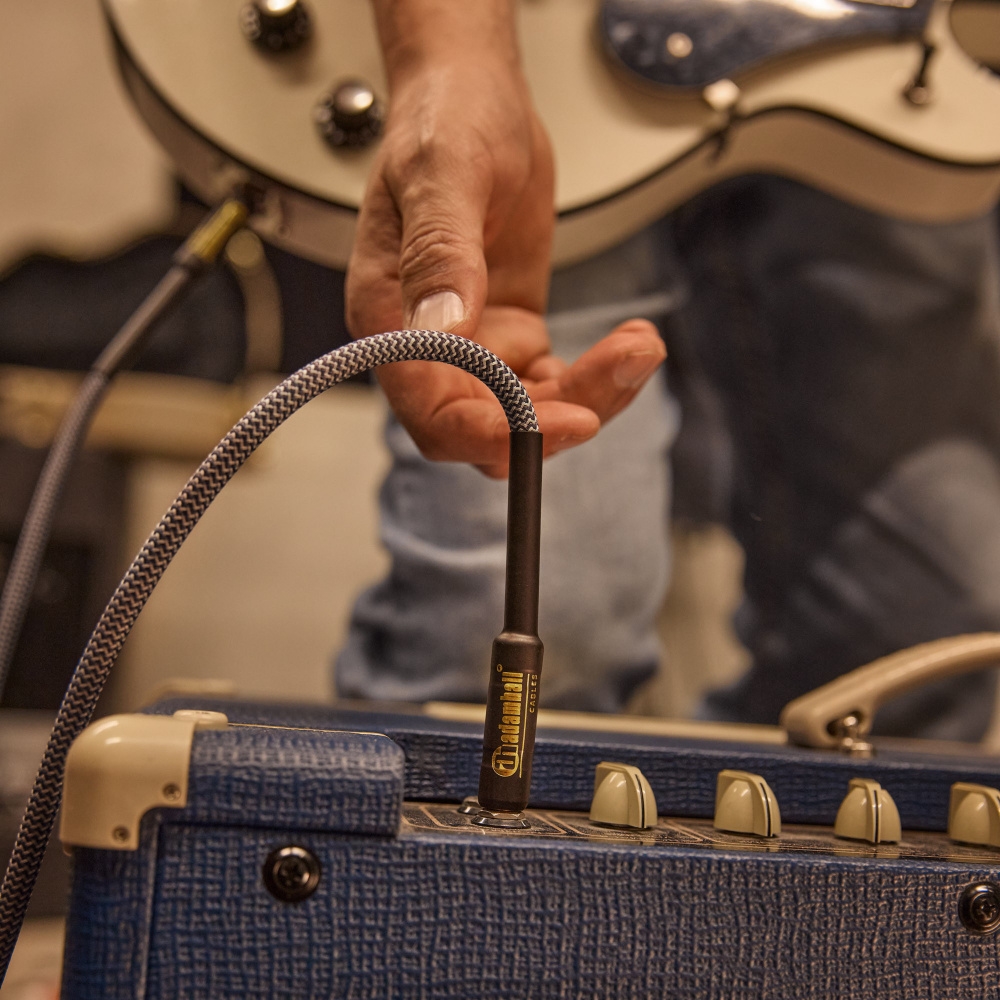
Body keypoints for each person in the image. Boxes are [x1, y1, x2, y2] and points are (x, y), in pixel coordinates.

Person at [335, 0, 1000, 739]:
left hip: (895, 99)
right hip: (550, 67)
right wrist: (449, 55)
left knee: (911, 657)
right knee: (528, 634)